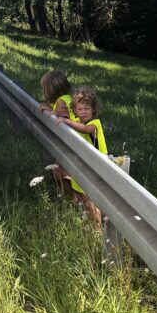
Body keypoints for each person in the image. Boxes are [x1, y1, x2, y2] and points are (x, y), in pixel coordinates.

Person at [61, 86, 107, 230]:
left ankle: (97, 230)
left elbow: (86, 130)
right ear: (75, 111)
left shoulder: (95, 124)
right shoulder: (78, 122)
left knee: (90, 200)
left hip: (97, 168)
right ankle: (91, 223)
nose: (83, 112)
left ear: (93, 109)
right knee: (82, 196)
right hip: (83, 166)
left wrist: (67, 122)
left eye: (87, 108)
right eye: (80, 109)